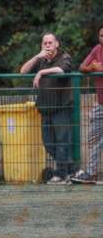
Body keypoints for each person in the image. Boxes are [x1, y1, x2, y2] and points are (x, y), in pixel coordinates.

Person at [20, 32, 81, 184]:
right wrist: (37, 56)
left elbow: (63, 70)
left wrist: (41, 72)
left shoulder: (64, 57)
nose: (47, 45)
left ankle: (60, 175)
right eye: (44, 43)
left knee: (62, 143)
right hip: (45, 108)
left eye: (50, 43)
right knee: (48, 144)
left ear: (56, 44)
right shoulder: (40, 59)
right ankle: (73, 170)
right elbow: (23, 71)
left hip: (61, 107)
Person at [72, 23, 103, 184]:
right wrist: (91, 68)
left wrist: (101, 68)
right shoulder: (97, 49)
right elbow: (81, 67)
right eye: (102, 35)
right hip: (100, 104)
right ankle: (91, 174)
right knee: (93, 137)